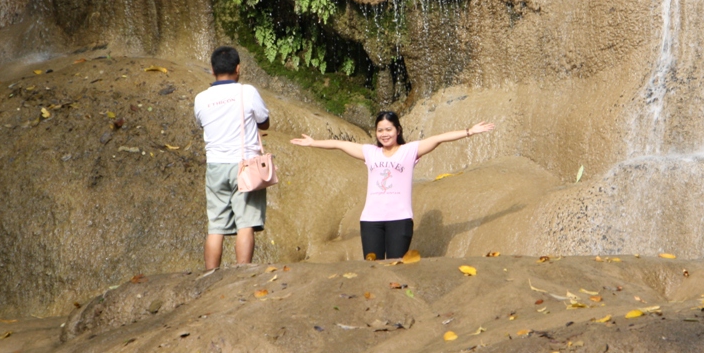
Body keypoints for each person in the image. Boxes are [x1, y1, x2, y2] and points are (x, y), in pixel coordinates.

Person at [290, 111, 494, 260]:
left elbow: (438, 139)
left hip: (400, 219)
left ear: (397, 130)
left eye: (388, 129)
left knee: (396, 267)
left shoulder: (409, 151)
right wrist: (313, 143)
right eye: (380, 130)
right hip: (371, 221)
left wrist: (470, 131)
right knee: (373, 267)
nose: (384, 133)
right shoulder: (370, 152)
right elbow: (339, 144)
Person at [194, 46, 271, 270]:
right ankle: (242, 274)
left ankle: (209, 276)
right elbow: (264, 121)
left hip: (216, 166)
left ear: (212, 70)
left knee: (216, 226)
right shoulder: (246, 92)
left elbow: (201, 124)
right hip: (244, 165)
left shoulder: (201, 99)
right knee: (245, 223)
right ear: (238, 69)